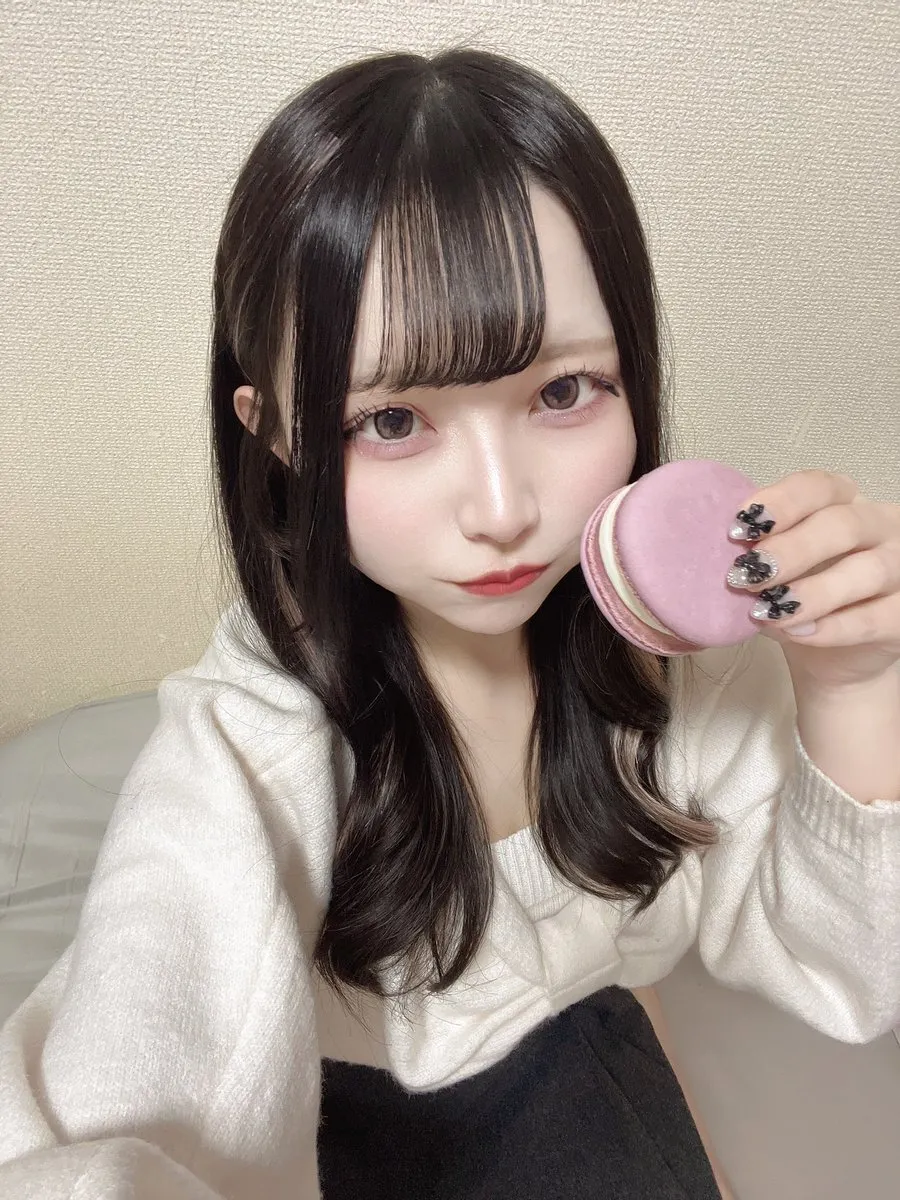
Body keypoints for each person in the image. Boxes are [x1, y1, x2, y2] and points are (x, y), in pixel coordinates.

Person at [2, 46, 899, 1200]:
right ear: (274, 432)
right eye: (391, 421)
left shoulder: (685, 669)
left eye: (563, 392)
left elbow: (846, 972)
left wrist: (854, 680)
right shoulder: (245, 758)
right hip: (331, 1118)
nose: (502, 508)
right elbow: (137, 1086)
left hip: (579, 1054)